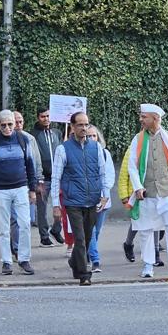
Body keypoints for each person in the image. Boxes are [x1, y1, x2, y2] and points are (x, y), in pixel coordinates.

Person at [126, 103, 168, 279]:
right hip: (146, 192)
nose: (141, 120)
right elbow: (132, 166)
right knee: (146, 228)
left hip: (167, 191)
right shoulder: (137, 139)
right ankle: (148, 264)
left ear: (155, 118)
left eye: (144, 117)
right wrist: (137, 186)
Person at [50, 111, 108, 285]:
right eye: (80, 125)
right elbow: (56, 178)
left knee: (88, 238)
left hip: (92, 199)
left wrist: (105, 194)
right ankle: (84, 275)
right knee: (80, 238)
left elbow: (102, 172)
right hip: (73, 200)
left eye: (86, 124)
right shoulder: (63, 149)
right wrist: (55, 205)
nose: (84, 128)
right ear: (72, 127)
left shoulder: (96, 147)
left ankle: (74, 262)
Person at [0, 110, 38, 275]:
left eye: (10, 124)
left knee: (25, 223)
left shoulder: (23, 139)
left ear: (15, 124)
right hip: (1, 189)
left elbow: (30, 165)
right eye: (3, 125)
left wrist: (33, 189)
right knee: (3, 228)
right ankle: (6, 261)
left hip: (21, 187)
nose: (7, 128)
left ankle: (24, 259)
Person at [10, 111, 44, 261]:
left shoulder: (29, 139)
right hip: (11, 184)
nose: (18, 125)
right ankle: (17, 248)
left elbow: (36, 161)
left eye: (21, 121)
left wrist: (38, 181)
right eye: (15, 122)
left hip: (28, 184)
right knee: (15, 219)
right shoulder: (3, 140)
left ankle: (21, 246)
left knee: (27, 219)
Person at [86, 125, 115, 274]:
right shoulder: (82, 153)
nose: (91, 138)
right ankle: (95, 259)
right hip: (88, 198)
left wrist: (104, 194)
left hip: (103, 198)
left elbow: (109, 175)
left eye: (94, 136)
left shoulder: (104, 153)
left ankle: (87, 251)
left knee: (96, 231)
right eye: (88, 136)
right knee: (90, 229)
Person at [32, 107, 63, 246]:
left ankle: (56, 230)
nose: (46, 119)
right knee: (42, 208)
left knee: (61, 204)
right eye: (43, 116)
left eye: (48, 116)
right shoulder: (33, 135)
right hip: (42, 177)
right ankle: (44, 236)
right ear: (38, 117)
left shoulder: (57, 132)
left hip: (58, 176)